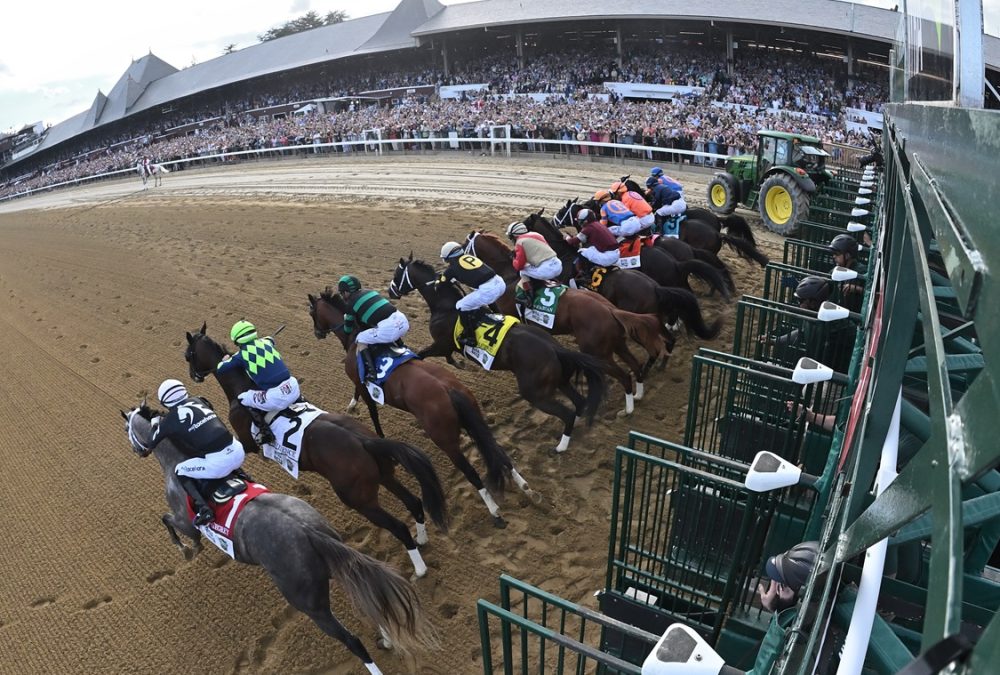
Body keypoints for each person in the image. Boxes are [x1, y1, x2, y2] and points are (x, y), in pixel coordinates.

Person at [149, 378, 247, 526]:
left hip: (219, 465)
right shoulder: (200, 400)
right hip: (238, 451)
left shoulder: (168, 421)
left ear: (164, 403)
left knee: (180, 470)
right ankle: (245, 476)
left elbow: (151, 442)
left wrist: (156, 423)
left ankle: (204, 509)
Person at [218, 320, 301, 446]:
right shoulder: (266, 342)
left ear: (237, 340)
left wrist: (226, 359)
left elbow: (221, 368)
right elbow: (270, 340)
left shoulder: (241, 355)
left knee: (243, 398)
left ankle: (264, 432)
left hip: (276, 397)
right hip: (293, 387)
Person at [337, 275, 410, 380]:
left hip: (390, 330)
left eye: (342, 293)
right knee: (381, 323)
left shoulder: (350, 304)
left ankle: (371, 371)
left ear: (346, 292)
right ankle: (402, 346)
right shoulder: (370, 292)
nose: (342, 296)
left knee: (361, 338)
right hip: (403, 320)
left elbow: (347, 330)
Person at [440, 241, 506, 346]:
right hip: (500, 282)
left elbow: (441, 284)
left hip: (488, 290)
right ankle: (498, 314)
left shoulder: (451, 269)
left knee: (461, 305)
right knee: (479, 293)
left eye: (447, 260)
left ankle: (470, 337)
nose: (447, 262)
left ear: (450, 258)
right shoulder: (469, 256)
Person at [506, 222, 563, 304]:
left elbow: (519, 266)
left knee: (523, 271)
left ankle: (529, 296)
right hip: (558, 265)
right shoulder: (537, 234)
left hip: (546, 271)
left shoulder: (519, 242)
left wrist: (514, 260)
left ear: (514, 235)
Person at [563, 207, 620, 274]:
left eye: (579, 221)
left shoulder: (588, 228)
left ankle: (584, 274)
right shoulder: (598, 224)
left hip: (607, 257)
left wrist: (567, 237)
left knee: (581, 252)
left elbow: (573, 241)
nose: (579, 223)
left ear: (585, 221)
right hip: (617, 253)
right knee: (590, 249)